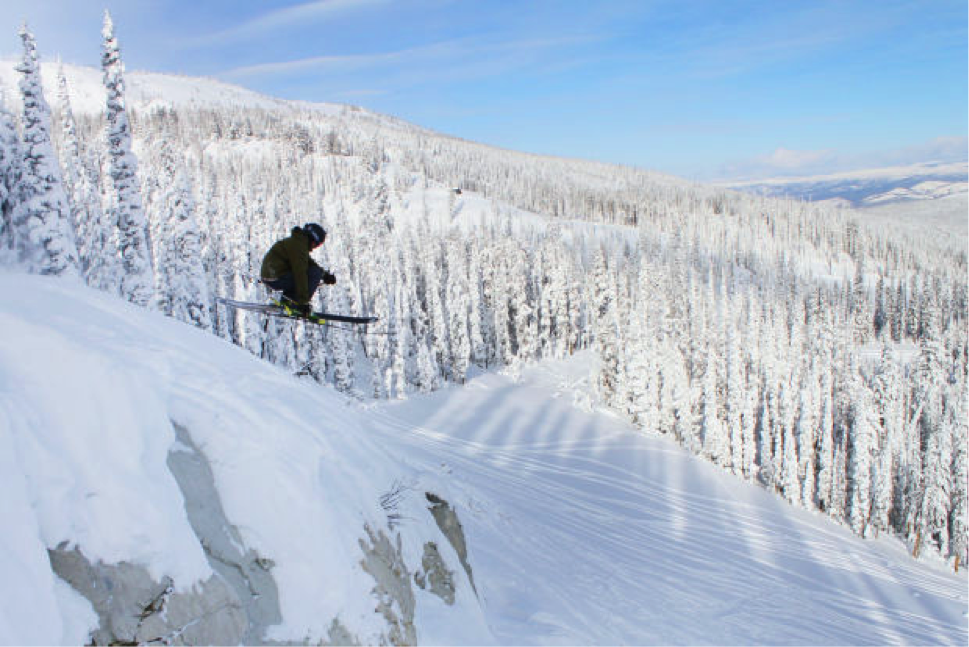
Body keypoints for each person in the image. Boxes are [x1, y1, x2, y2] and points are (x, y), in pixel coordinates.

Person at [260, 223, 336, 315]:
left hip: (273, 275)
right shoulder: (299, 247)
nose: (314, 247)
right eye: (317, 244)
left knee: (315, 271)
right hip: (275, 277)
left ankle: (288, 301)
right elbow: (300, 273)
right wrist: (302, 302)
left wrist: (325, 275)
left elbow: (309, 262)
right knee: (314, 273)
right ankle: (293, 303)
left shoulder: (298, 242)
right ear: (313, 240)